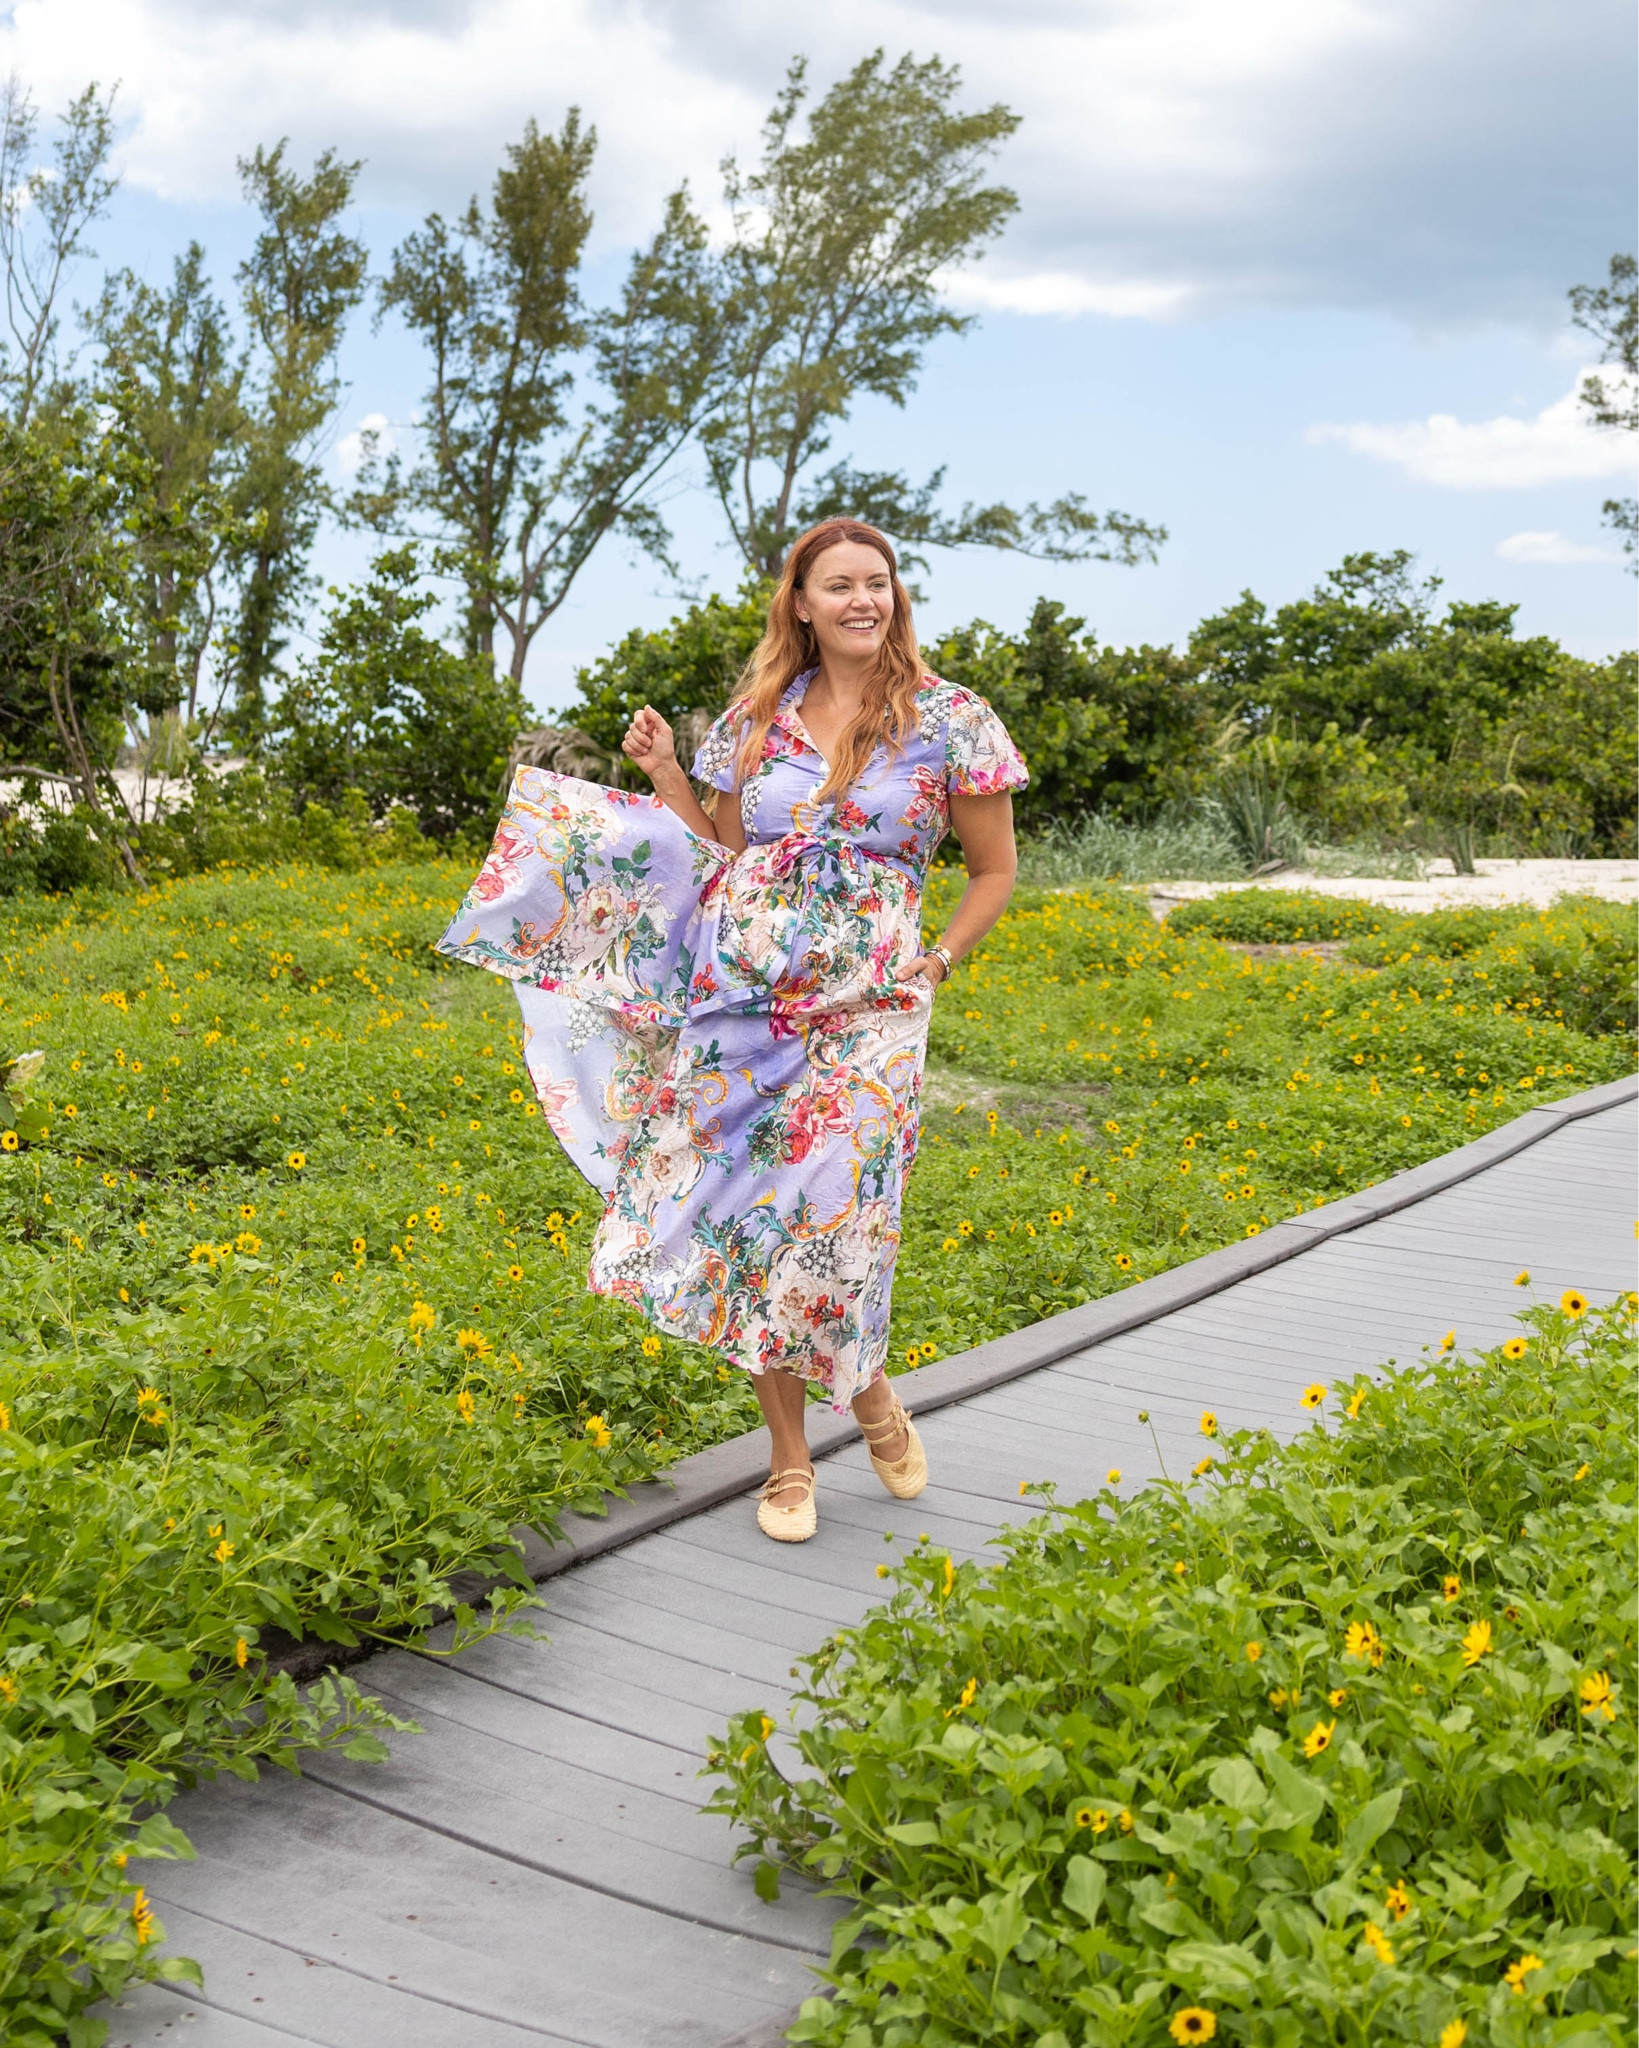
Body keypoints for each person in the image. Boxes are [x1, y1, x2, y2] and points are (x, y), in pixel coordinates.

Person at [434, 519, 1025, 1542]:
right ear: (800, 603)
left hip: (870, 1009)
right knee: (753, 1221)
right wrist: (668, 772)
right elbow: (720, 850)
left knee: (835, 1217)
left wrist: (935, 962)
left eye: (877, 582)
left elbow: (993, 869)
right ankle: (790, 1458)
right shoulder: (758, 717)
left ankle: (867, 1387)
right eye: (838, 584)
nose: (862, 600)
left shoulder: (950, 719)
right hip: (745, 997)